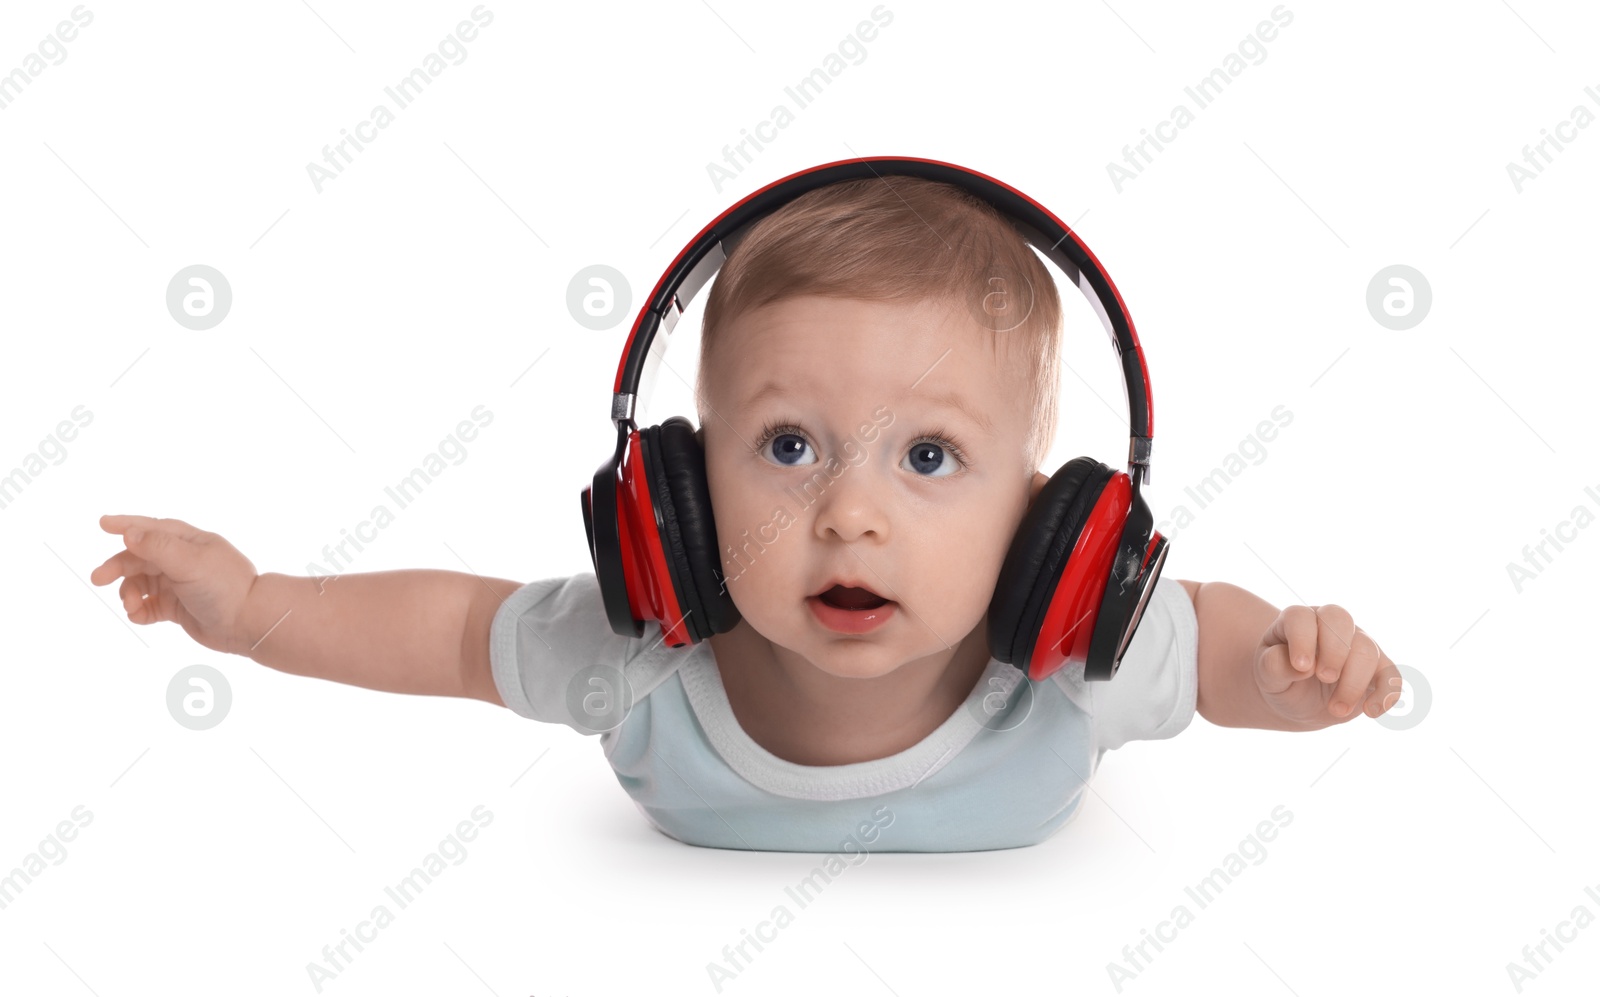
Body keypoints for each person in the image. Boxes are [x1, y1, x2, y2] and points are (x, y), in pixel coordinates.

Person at [89, 175, 1402, 852]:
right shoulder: (644, 656)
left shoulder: (1074, 659)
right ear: (679, 485)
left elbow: (1217, 642)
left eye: (931, 456)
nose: (850, 514)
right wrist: (255, 607)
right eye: (788, 444)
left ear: (1050, 520)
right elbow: (448, 632)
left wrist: (1290, 672)